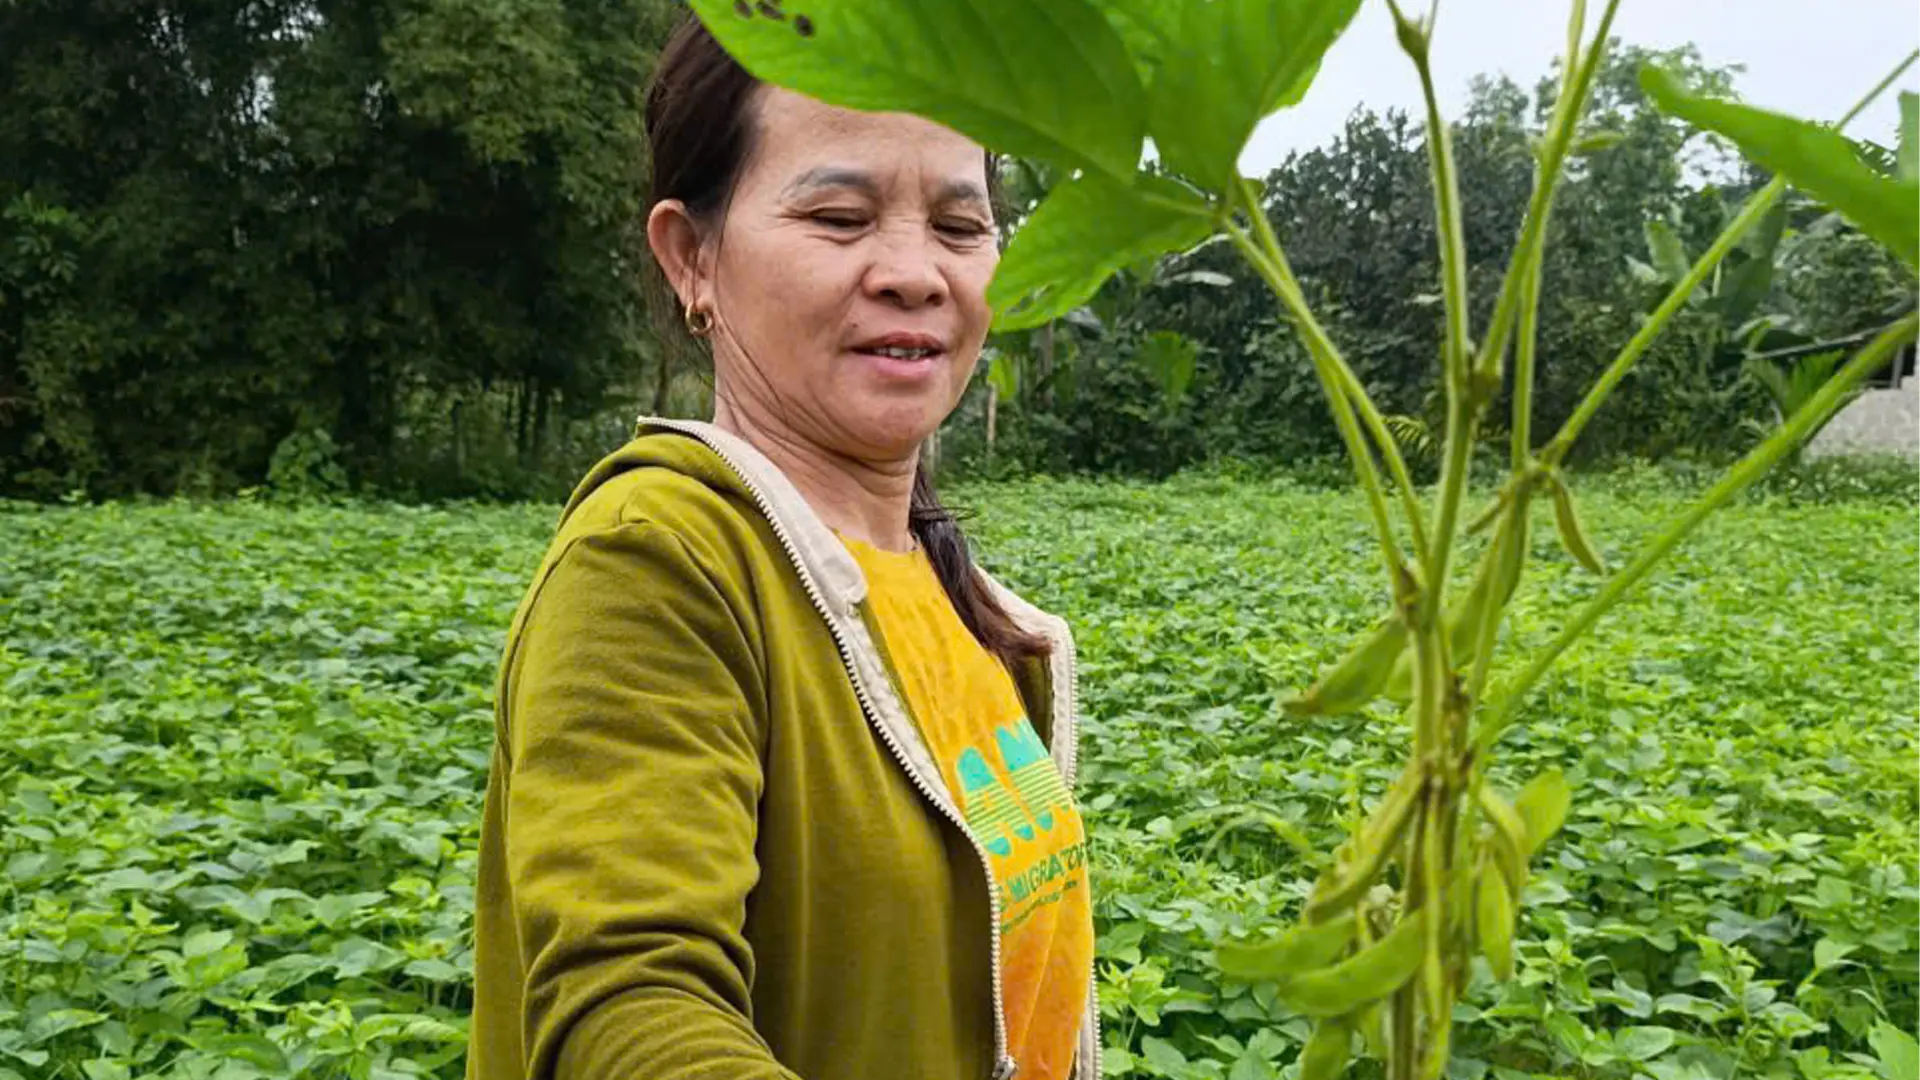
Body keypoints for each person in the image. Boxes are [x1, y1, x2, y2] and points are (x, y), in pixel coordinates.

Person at [465, 16, 1096, 1080]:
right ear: (691, 256)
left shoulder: (963, 606)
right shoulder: (656, 560)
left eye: (959, 224)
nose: (914, 272)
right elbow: (631, 1008)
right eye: (841, 216)